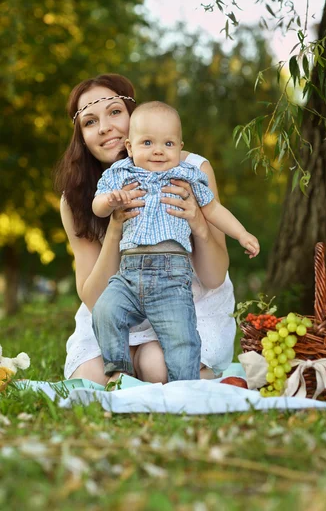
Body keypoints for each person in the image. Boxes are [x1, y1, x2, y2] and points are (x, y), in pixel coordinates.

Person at [55, 73, 237, 386]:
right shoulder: (76, 199)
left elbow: (214, 276)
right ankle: (135, 369)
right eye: (89, 122)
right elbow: (94, 298)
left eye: (114, 112)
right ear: (82, 136)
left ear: (134, 117)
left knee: (157, 366)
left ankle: (203, 375)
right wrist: (115, 228)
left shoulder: (190, 170)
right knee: (91, 377)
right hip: (120, 305)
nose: (104, 128)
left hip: (185, 301)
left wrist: (198, 223)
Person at [91, 101, 260, 385]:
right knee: (105, 311)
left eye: (168, 143)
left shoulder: (187, 176)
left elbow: (214, 210)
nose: (158, 150)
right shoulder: (119, 175)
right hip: (128, 274)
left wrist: (242, 234)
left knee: (181, 336)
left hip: (171, 275)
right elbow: (97, 205)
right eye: (147, 142)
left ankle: (186, 386)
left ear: (180, 147)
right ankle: (118, 371)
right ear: (130, 148)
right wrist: (109, 202)